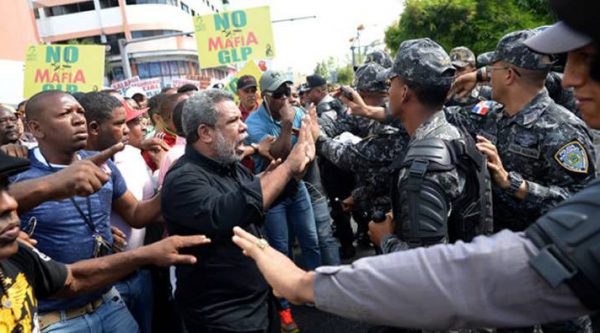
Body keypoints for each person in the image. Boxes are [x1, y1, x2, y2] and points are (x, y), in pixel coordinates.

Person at [230, 19, 600, 331]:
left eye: (586, 60)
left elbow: (431, 269)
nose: (569, 79)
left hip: (550, 273)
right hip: (504, 265)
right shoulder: (483, 116)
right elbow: (428, 111)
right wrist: (372, 112)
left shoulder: (557, 130)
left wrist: (311, 282)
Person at [0, 150, 210, 333]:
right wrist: (49, 186)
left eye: (5, 189)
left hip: (108, 302)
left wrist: (148, 253)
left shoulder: (18, 256)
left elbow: (73, 279)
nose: (10, 203)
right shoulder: (28, 171)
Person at [161, 89, 316, 333]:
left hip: (260, 304)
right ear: (205, 132)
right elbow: (227, 214)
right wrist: (286, 168)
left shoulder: (233, 168)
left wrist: (297, 169)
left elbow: (259, 205)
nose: (244, 126)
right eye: (233, 120)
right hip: (224, 317)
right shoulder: (182, 180)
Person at [8, 90, 163, 332]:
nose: (78, 119)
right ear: (36, 128)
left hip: (109, 302)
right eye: (65, 113)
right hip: (55, 318)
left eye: (79, 111)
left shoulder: (102, 162)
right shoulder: (16, 173)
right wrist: (51, 185)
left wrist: (176, 181)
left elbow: (136, 214)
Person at [245, 71, 320, 331]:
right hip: (273, 194)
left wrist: (304, 150)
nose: (285, 99)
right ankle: (285, 307)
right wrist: (287, 127)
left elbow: (309, 145)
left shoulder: (296, 111)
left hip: (297, 188)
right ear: (265, 96)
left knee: (311, 240)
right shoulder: (254, 122)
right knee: (280, 249)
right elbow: (278, 155)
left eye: (287, 92)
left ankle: (316, 291)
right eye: (278, 95)